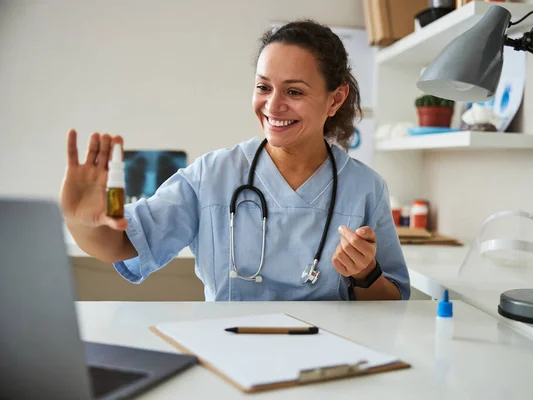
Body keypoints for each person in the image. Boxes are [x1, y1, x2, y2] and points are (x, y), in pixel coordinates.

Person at [61, 20, 410, 301]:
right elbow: (122, 244)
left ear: (335, 99)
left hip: (329, 364)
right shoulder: (212, 175)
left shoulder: (365, 188)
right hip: (230, 351)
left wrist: (366, 273)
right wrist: (81, 220)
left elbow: (392, 302)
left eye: (294, 91)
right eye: (263, 87)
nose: (273, 107)